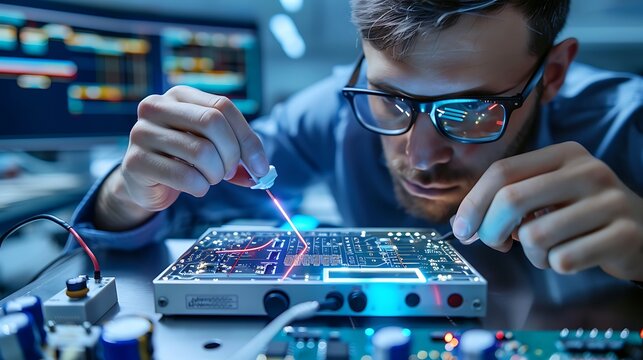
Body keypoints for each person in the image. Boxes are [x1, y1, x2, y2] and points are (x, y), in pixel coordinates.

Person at [69, 0, 643, 283]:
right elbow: (166, 209)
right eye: (390, 98)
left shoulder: (628, 127)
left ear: (553, 73)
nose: (420, 158)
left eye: (470, 110)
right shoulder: (331, 111)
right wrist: (128, 193)